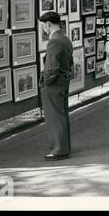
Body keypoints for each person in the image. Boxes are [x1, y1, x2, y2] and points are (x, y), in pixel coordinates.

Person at [39, 11, 73, 161]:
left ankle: (58, 150)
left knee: (54, 118)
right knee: (61, 115)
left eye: (43, 26)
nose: (44, 29)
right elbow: (69, 62)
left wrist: (46, 82)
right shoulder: (64, 38)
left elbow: (51, 67)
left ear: (48, 24)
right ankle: (64, 147)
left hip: (54, 84)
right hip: (63, 82)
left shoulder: (54, 41)